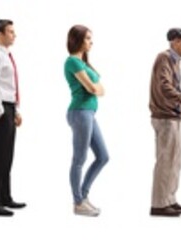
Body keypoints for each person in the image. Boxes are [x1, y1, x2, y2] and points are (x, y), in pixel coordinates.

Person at [148, 27, 181, 217]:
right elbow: (165, 85)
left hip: (173, 116)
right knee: (166, 161)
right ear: (176, 41)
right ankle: (159, 204)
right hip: (165, 117)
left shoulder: (175, 61)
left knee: (175, 161)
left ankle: (170, 200)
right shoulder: (164, 58)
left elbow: (172, 87)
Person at [0, 19, 27, 217]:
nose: (14, 35)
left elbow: (8, 87)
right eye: (10, 31)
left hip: (9, 108)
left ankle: (5, 197)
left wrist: (15, 111)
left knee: (7, 156)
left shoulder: (7, 56)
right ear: (0, 34)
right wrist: (0, 111)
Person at [63, 25, 108, 217]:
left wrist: (96, 88)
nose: (91, 42)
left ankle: (83, 195)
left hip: (89, 113)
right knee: (79, 159)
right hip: (80, 112)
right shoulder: (72, 62)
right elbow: (93, 88)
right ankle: (78, 202)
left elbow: (101, 90)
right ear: (78, 40)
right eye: (88, 38)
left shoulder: (84, 63)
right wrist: (96, 88)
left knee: (103, 156)